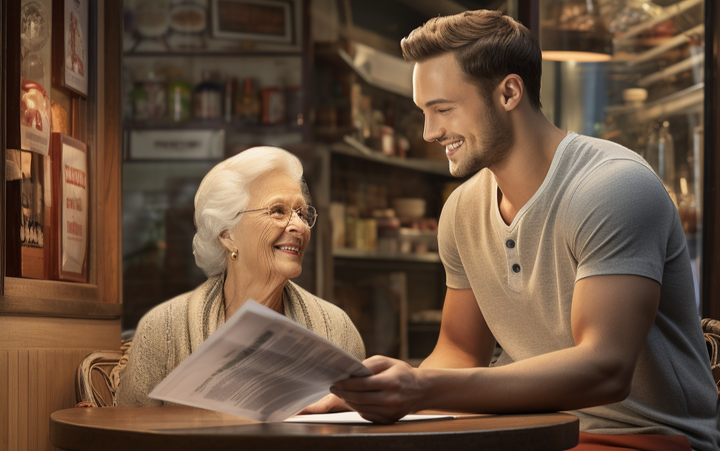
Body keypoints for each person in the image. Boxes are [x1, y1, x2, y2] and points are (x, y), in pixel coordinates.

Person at [304, 9, 719, 451]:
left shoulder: (613, 186)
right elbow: (461, 353)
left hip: (644, 438)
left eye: (442, 109)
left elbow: (605, 369)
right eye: (424, 112)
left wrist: (423, 388)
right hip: (528, 431)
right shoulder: (461, 210)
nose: (429, 132)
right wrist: (371, 398)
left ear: (508, 92)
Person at [117, 146, 365, 406]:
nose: (299, 226)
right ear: (227, 234)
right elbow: (129, 436)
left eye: (301, 213)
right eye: (278, 211)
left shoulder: (338, 331)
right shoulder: (163, 331)